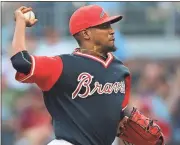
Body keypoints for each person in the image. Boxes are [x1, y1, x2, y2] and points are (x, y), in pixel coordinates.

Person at [11, 5, 131, 145]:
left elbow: (117, 115)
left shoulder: (121, 70)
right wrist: (20, 23)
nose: (111, 31)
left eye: (110, 26)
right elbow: (21, 61)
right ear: (86, 34)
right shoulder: (61, 65)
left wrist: (126, 124)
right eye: (104, 26)